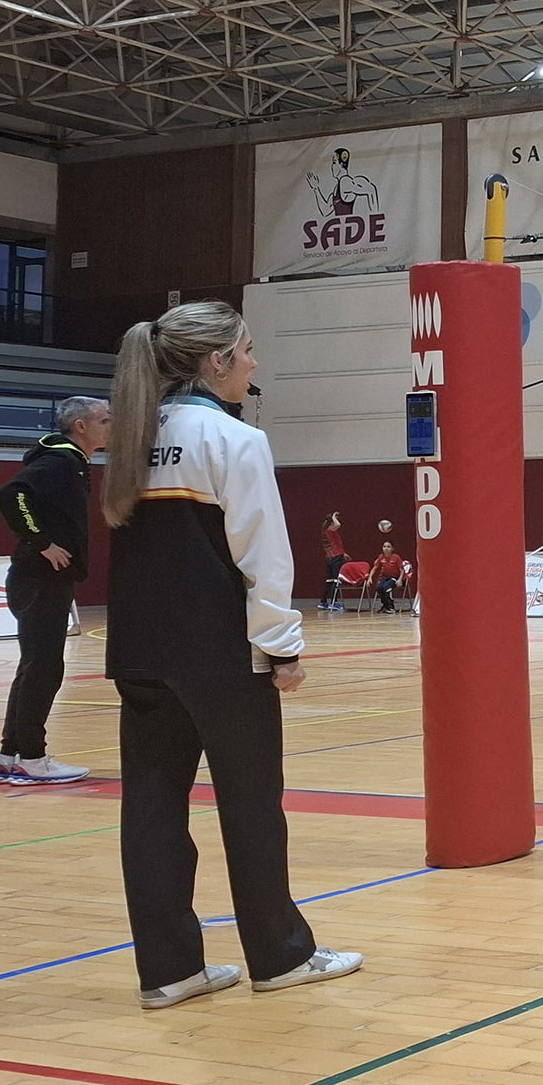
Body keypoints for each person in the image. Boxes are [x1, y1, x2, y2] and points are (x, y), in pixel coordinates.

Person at [102, 300, 361, 1008]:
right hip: (218, 653)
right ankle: (279, 957)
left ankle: (169, 971)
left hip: (139, 651)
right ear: (216, 361)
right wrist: (283, 648)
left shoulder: (131, 434)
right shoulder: (231, 437)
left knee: (151, 810)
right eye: (246, 351)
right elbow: (262, 555)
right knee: (251, 808)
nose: (253, 364)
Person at [0, 396, 111, 784]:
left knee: (34, 667)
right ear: (81, 426)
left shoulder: (71, 462)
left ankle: (8, 755)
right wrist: (41, 541)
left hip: (41, 580)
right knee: (44, 668)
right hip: (40, 579)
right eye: (104, 420)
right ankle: (33, 758)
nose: (111, 426)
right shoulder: (60, 461)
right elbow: (11, 495)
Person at [319, 511, 347, 610]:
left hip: (330, 558)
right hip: (336, 558)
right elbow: (338, 525)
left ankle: (323, 602)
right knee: (337, 580)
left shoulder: (326, 532)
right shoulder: (330, 531)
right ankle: (334, 602)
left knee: (330, 580)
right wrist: (334, 516)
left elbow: (335, 545)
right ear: (331, 523)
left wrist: (343, 553)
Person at [370, 541, 409, 614]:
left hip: (394, 578)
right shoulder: (381, 557)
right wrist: (370, 578)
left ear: (392, 549)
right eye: (384, 546)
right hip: (385, 577)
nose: (386, 548)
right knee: (379, 587)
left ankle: (391, 607)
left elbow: (402, 569)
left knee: (386, 587)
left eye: (388, 547)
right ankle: (385, 605)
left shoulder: (396, 557)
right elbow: (374, 568)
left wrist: (400, 580)